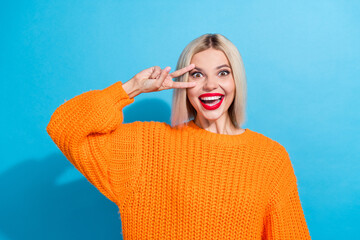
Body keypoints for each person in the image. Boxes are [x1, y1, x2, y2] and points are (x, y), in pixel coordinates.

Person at [47, 33, 311, 239]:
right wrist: (131, 88)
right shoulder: (146, 146)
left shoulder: (269, 157)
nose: (210, 85)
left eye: (223, 72)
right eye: (197, 74)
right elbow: (64, 126)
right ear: (183, 82)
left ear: (236, 81)